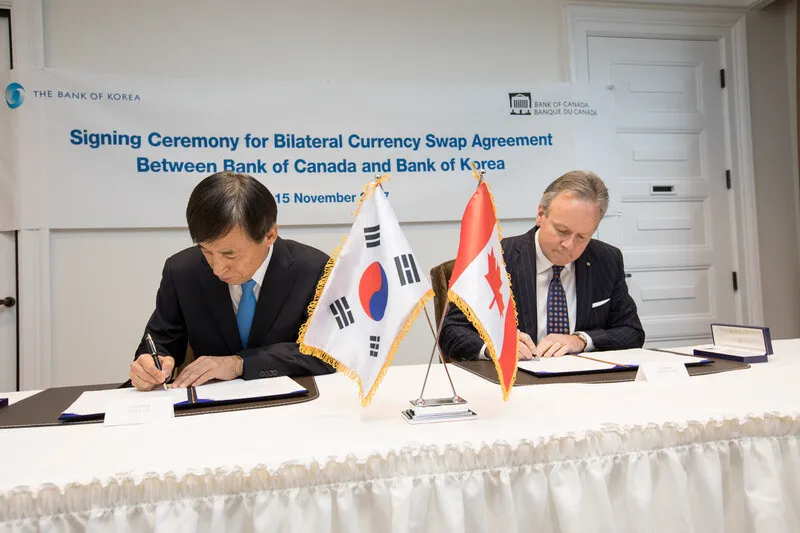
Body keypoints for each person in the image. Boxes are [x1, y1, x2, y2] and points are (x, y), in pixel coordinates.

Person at [129, 172, 334, 390]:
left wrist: (240, 364)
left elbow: (328, 352)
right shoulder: (182, 271)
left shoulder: (314, 269)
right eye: (206, 251)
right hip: (212, 409)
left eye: (230, 254)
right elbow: (160, 341)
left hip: (295, 405)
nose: (217, 268)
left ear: (269, 235)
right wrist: (152, 363)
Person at [440, 170, 644, 361]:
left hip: (584, 381)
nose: (569, 245)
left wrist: (581, 340)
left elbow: (631, 332)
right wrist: (496, 346)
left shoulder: (607, 259)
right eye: (562, 230)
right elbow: (451, 331)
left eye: (582, 236)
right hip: (514, 383)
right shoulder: (497, 257)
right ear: (541, 215)